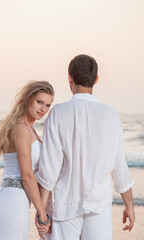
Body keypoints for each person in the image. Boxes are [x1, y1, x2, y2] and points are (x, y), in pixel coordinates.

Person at [35, 55, 135, 240]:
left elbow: (50, 169)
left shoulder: (57, 113)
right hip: (99, 206)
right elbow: (119, 165)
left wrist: (42, 212)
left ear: (69, 78)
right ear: (96, 80)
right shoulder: (110, 115)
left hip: (64, 204)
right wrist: (129, 205)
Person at [0, 80, 54, 240]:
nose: (43, 109)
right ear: (28, 99)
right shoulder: (22, 128)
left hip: (5, 199)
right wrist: (42, 214)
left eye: (48, 105)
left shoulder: (26, 128)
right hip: (13, 204)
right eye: (39, 102)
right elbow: (27, 175)